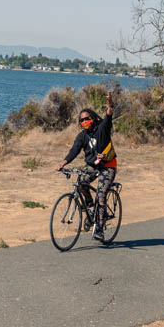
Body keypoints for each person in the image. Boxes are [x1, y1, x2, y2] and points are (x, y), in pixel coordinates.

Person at [56, 90, 117, 239]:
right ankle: (90, 208)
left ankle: (100, 229)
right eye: (81, 120)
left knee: (101, 194)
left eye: (86, 119)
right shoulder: (82, 136)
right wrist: (63, 163)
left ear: (93, 118)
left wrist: (110, 103)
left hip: (108, 166)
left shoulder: (102, 128)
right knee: (81, 182)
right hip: (93, 166)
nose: (84, 122)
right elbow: (74, 150)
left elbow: (109, 114)